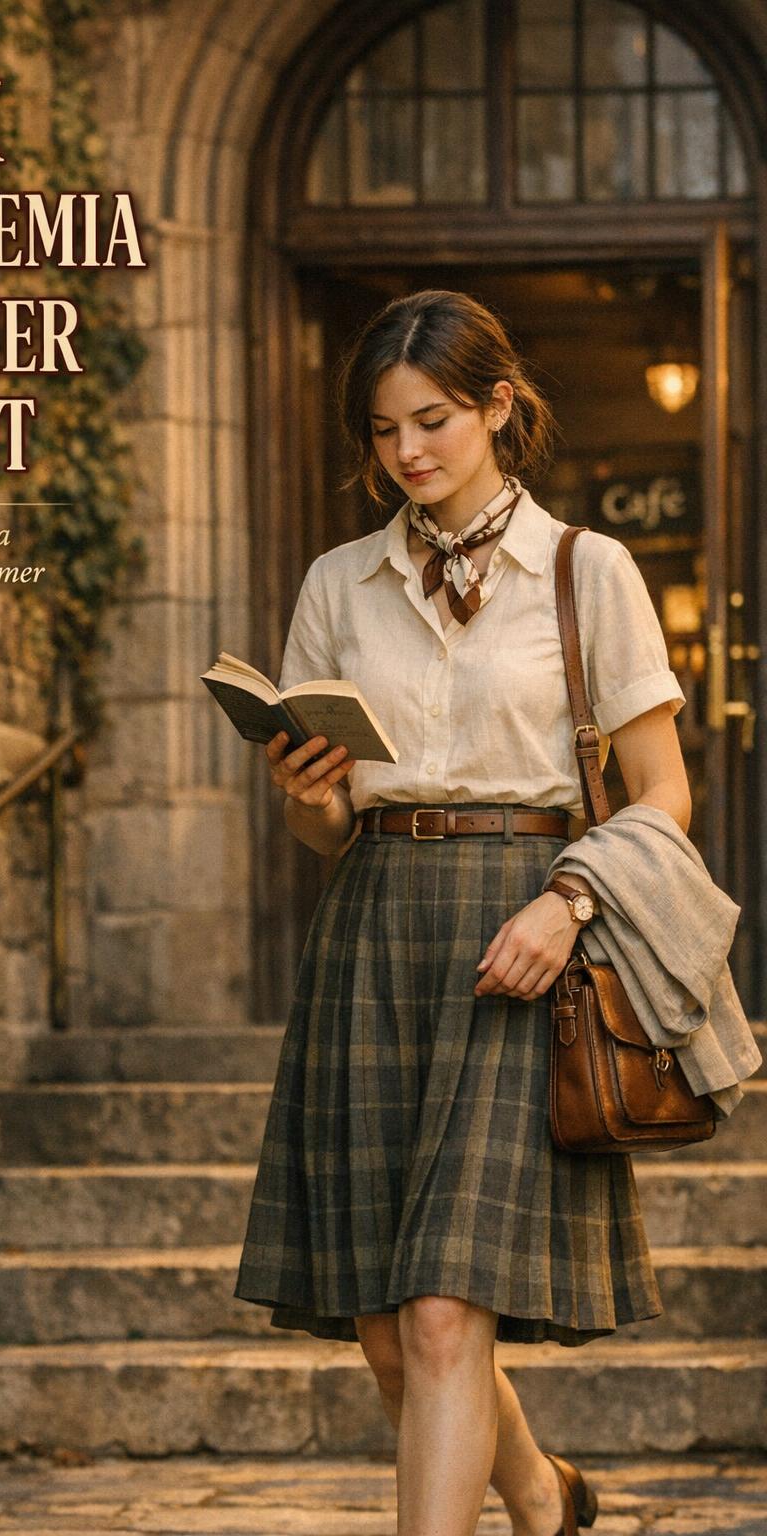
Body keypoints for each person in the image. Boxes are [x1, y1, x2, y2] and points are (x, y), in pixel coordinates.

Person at [232, 288, 692, 1536]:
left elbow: (662, 793)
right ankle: (542, 1496)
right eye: (382, 433)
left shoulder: (587, 572)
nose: (407, 454)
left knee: (442, 1314)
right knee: (388, 1328)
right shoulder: (339, 582)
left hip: (523, 934)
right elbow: (319, 833)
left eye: (430, 420)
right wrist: (305, 795)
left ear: (496, 405)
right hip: (374, 927)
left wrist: (570, 902)